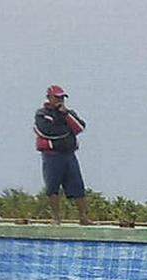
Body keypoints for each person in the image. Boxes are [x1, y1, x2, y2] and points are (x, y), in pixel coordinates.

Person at [33, 85, 89, 225]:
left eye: (62, 97)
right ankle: (56, 218)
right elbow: (47, 131)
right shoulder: (42, 114)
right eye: (57, 97)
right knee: (53, 187)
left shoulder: (68, 113)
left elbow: (80, 127)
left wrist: (66, 116)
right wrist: (66, 130)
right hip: (52, 156)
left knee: (78, 186)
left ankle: (83, 217)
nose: (60, 100)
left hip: (69, 155)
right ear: (49, 98)